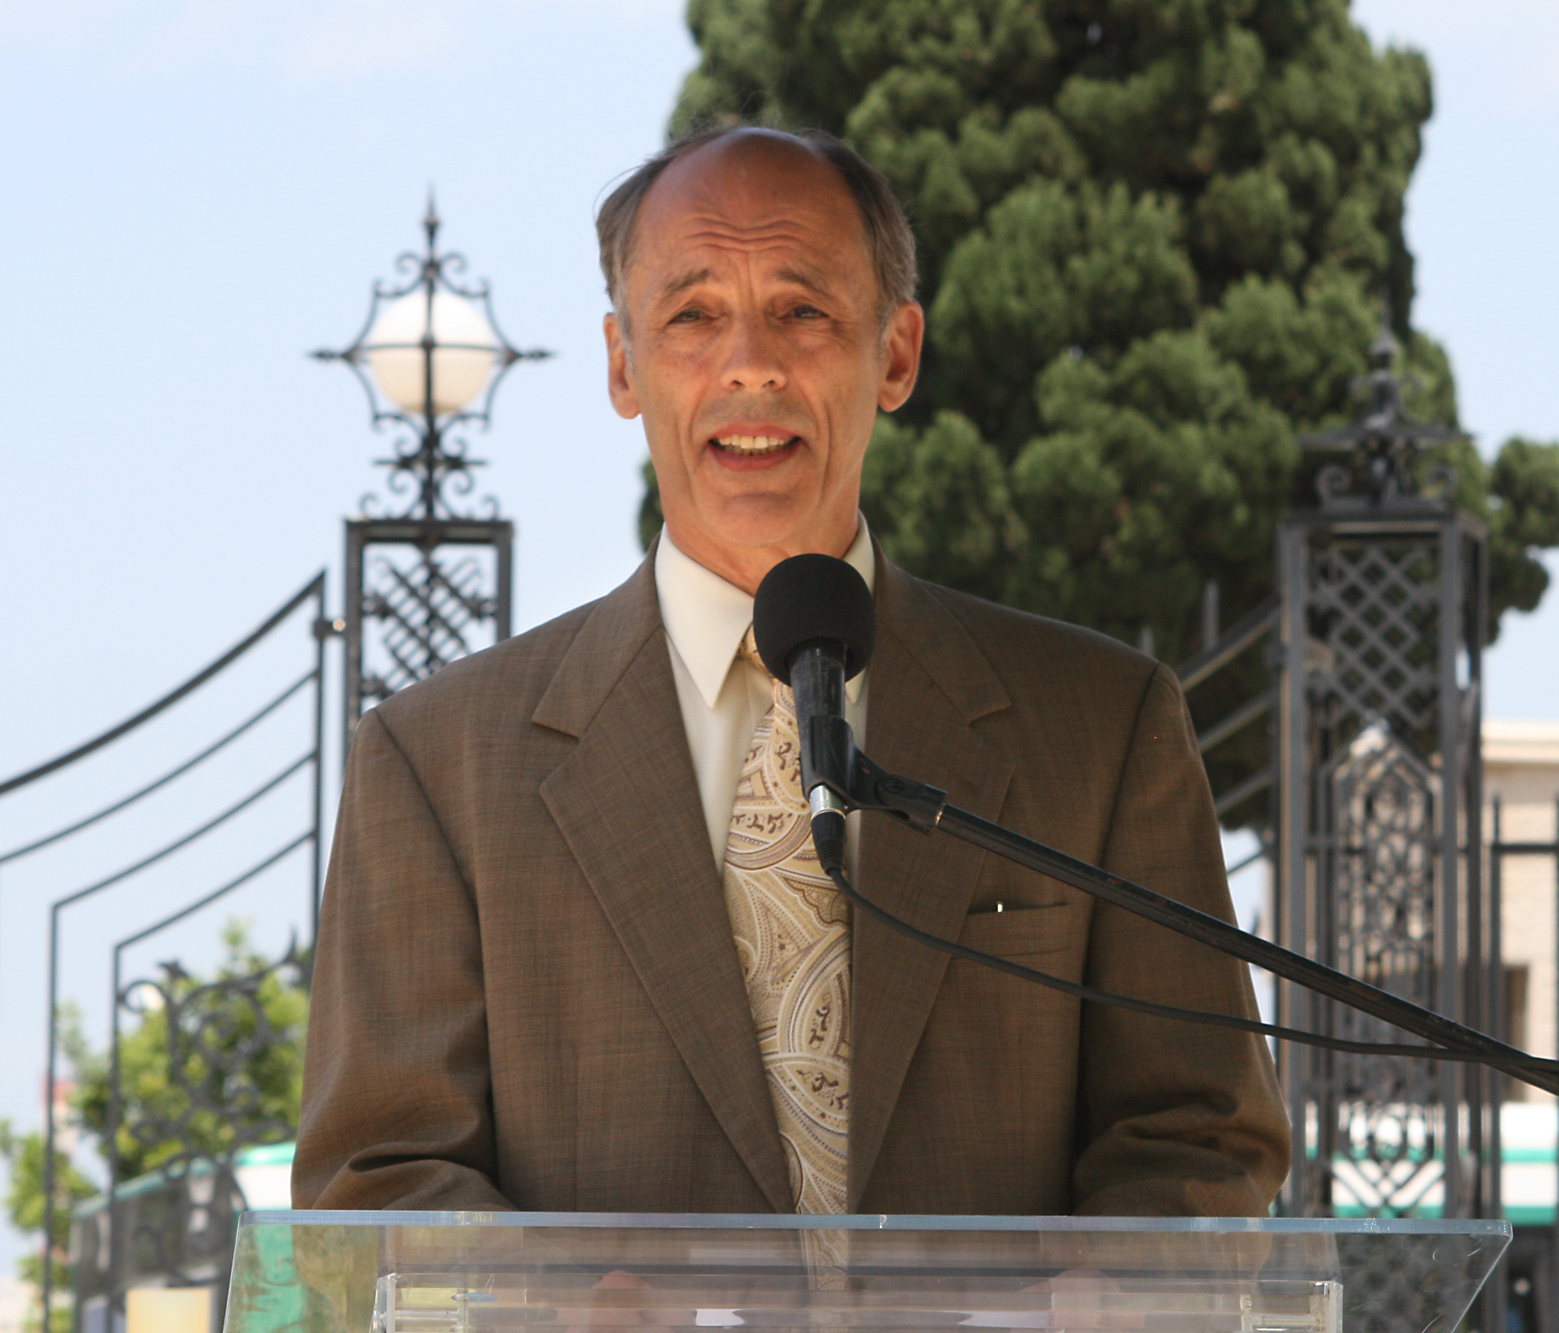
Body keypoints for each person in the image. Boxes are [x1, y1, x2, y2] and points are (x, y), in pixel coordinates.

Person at [291, 126, 1289, 1217]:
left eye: (803, 311)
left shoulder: (1100, 727)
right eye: (692, 315)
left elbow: (1198, 1136)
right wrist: (551, 1306)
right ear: (622, 365)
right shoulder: (435, 764)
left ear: (895, 353)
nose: (750, 362)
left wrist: (1093, 1295)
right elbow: (376, 1181)